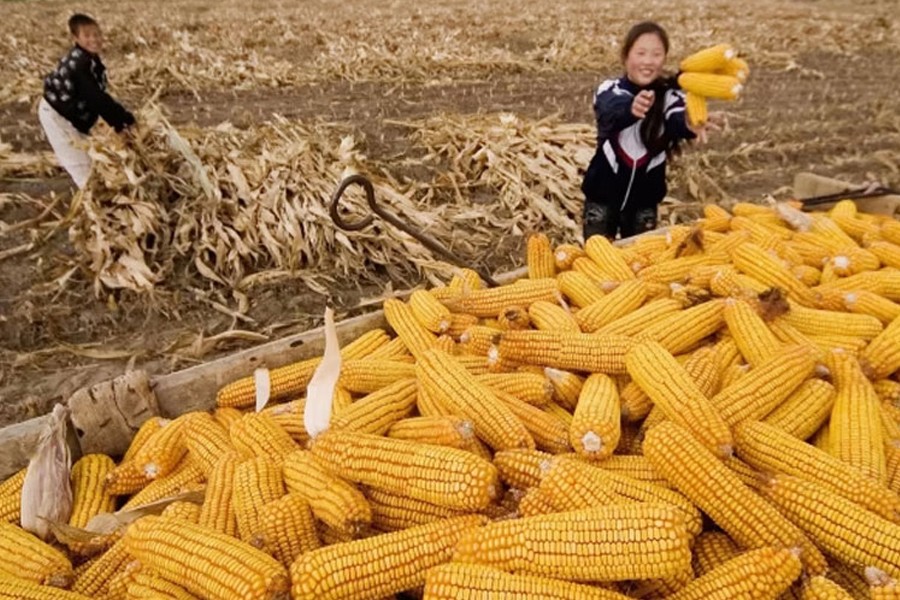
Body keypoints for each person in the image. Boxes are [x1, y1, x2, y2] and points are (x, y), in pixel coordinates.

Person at [580, 21, 721, 241]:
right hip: (602, 199)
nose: (648, 61)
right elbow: (609, 110)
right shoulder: (610, 90)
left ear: (664, 58)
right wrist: (631, 108)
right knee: (595, 256)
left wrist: (690, 123)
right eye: (641, 53)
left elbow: (677, 118)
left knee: (641, 258)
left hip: (644, 203)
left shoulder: (671, 98)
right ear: (626, 56)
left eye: (656, 54)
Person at [38, 13, 135, 190]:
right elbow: (97, 99)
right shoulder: (79, 64)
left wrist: (122, 120)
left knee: (89, 161)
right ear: (76, 38)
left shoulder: (89, 59)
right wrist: (122, 122)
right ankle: (91, 200)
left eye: (97, 34)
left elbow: (97, 96)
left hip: (70, 114)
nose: (94, 39)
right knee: (82, 169)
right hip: (57, 115)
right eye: (87, 35)